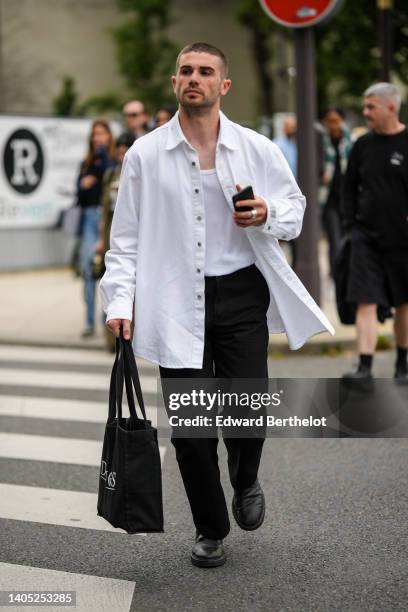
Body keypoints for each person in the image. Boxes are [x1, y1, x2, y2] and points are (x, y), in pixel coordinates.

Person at [100, 42, 334, 568]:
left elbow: (295, 212)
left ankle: (245, 477)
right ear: (174, 81)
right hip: (173, 298)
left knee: (248, 413)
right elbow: (126, 241)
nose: (194, 79)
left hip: (240, 295)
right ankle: (210, 527)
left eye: (206, 71)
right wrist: (121, 301)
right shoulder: (143, 155)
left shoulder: (257, 148)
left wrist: (267, 212)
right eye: (185, 70)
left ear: (223, 85)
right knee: (190, 431)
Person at [342, 82, 408, 385]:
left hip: (403, 240)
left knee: (404, 303)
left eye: (371, 107)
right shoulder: (362, 145)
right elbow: (347, 188)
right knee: (365, 300)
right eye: (365, 106)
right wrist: (351, 226)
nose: (365, 112)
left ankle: (402, 364)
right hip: (365, 237)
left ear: (391, 107)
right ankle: (364, 368)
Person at [96, 132, 135, 351]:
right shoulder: (111, 173)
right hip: (111, 233)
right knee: (110, 283)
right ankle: (112, 341)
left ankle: (129, 335)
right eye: (119, 151)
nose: (122, 155)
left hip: (130, 236)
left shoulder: (139, 170)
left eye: (125, 150)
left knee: (130, 287)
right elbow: (103, 209)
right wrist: (100, 238)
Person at [76, 120, 115, 337]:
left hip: (106, 217)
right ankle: (89, 322)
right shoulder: (86, 163)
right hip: (90, 216)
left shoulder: (110, 160)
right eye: (94, 134)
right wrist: (84, 184)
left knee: (108, 272)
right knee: (88, 271)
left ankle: (105, 320)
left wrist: (103, 155)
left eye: (102, 134)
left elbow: (109, 176)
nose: (97, 138)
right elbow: (78, 196)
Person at [319, 108, 352, 277]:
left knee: (348, 237)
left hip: (347, 198)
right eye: (329, 121)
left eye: (336, 120)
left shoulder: (350, 142)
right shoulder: (321, 142)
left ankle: (346, 269)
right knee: (334, 238)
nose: (333, 125)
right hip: (329, 198)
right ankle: (336, 272)